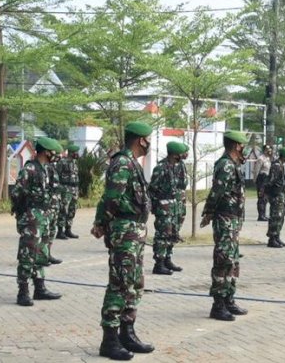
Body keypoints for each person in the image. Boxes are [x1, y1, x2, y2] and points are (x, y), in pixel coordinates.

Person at [90, 122, 156, 360]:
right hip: (125, 230)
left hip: (135, 230)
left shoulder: (132, 163)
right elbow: (111, 197)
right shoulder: (122, 163)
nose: (149, 143)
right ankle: (109, 340)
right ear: (141, 140)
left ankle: (127, 333)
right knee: (120, 283)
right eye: (148, 139)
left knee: (134, 283)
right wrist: (101, 224)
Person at [200, 131, 250, 321]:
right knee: (223, 260)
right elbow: (216, 192)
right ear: (237, 145)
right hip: (225, 219)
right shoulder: (226, 165)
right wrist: (209, 212)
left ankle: (229, 298)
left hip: (233, 219)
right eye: (242, 145)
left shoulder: (233, 164)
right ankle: (218, 305)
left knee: (232, 259)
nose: (244, 148)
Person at [11, 137, 64, 307]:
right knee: (28, 254)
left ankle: (39, 288)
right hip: (32, 216)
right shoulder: (30, 169)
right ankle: (23, 291)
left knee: (41, 254)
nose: (56, 155)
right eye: (54, 152)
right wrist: (23, 213)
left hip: (45, 216)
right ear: (46, 152)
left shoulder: (47, 169)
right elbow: (17, 193)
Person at [151, 141, 188, 275]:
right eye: (182, 153)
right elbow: (153, 189)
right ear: (175, 154)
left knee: (174, 233)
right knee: (163, 234)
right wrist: (155, 207)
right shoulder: (160, 168)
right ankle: (159, 263)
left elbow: (182, 186)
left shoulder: (181, 166)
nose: (185, 155)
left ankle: (167, 259)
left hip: (177, 206)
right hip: (164, 207)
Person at [265, 147, 285, 248]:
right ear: (284, 156)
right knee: (275, 217)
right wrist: (269, 193)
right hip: (276, 195)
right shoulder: (276, 165)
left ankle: (277, 237)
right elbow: (271, 181)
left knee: (280, 217)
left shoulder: (281, 165)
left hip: (280, 194)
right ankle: (272, 239)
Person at [56, 143, 81, 240]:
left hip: (74, 189)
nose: (77, 154)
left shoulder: (74, 163)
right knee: (63, 209)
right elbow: (57, 175)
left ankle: (68, 229)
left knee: (72, 210)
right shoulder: (62, 162)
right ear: (71, 153)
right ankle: (60, 231)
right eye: (76, 152)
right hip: (65, 189)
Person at [255, 145, 272, 221]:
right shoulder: (260, 159)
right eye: (267, 149)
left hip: (267, 179)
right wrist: (255, 180)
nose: (269, 151)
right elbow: (256, 170)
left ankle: (264, 214)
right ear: (264, 150)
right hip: (261, 178)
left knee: (265, 198)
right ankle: (261, 215)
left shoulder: (268, 159)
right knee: (261, 197)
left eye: (270, 149)